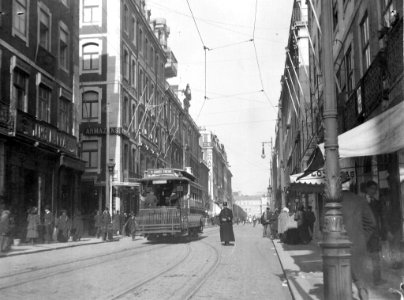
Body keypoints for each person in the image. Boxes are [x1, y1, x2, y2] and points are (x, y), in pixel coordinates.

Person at [341, 174, 376, 300]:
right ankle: (363, 294)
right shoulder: (360, 200)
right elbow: (371, 223)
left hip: (339, 248)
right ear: (349, 183)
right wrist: (361, 238)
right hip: (358, 245)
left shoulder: (332, 202)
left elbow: (325, 226)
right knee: (360, 279)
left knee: (342, 281)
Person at [365, 180, 389, 285]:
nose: (373, 191)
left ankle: (377, 279)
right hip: (363, 234)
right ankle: (363, 279)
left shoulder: (376, 202)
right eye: (372, 189)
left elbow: (380, 218)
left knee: (375, 257)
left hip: (374, 235)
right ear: (367, 189)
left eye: (375, 189)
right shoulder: (360, 201)